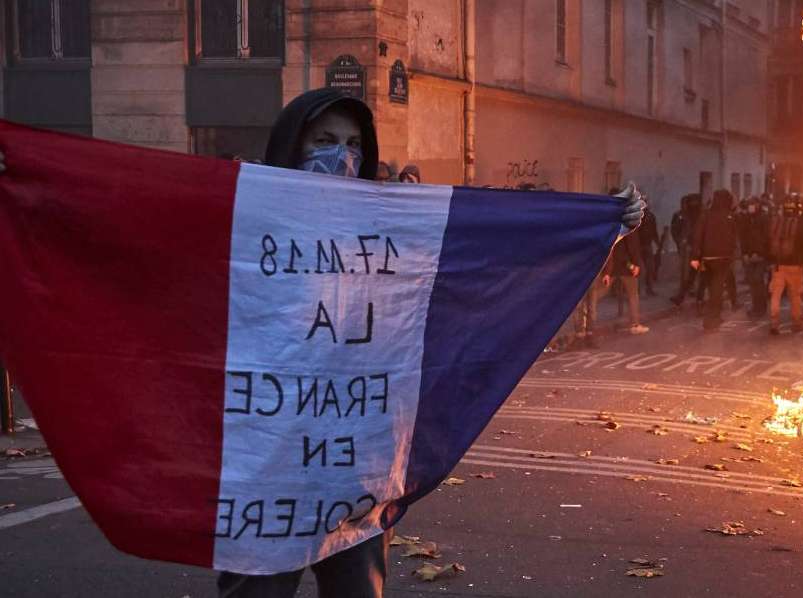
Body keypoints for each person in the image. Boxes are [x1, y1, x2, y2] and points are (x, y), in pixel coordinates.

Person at [0, 88, 645, 597]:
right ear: (291, 144)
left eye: (352, 144)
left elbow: (490, 241)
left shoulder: (389, 220)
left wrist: (598, 224)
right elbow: (130, 217)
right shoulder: (243, 212)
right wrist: (27, 180)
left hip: (354, 467)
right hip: (267, 471)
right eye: (323, 140)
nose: (340, 155)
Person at [689, 189, 738, 330]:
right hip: (722, 258)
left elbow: (697, 236)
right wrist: (732, 254)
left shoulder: (706, 215)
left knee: (710, 287)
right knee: (717, 290)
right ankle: (712, 319)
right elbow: (733, 238)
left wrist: (695, 256)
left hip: (706, 258)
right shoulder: (729, 216)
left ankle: (712, 317)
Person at [766, 193, 803, 335]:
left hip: (778, 266)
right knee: (795, 296)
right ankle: (796, 323)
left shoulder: (776, 222)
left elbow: (768, 242)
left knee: (776, 295)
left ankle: (774, 323)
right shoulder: (800, 224)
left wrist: (771, 260)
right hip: (795, 266)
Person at [608, 226, 649, 335]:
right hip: (626, 266)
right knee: (633, 295)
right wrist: (634, 264)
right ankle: (635, 324)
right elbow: (632, 246)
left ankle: (585, 326)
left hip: (611, 264)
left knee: (598, 293)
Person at [670, 193, 706, 309]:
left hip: (698, 251)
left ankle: (690, 296)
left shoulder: (701, 216)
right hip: (693, 250)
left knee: (696, 274)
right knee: (691, 274)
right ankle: (690, 296)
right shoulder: (685, 215)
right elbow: (675, 229)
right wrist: (680, 242)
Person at [738, 196, 770, 318]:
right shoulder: (746, 218)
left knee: (758, 280)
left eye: (753, 204)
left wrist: (761, 253)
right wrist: (744, 253)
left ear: (758, 204)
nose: (751, 206)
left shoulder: (764, 218)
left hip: (760, 256)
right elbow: (743, 237)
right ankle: (756, 307)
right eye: (749, 204)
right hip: (749, 255)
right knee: (752, 282)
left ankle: (760, 308)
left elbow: (766, 238)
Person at [638, 196, 660, 296]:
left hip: (647, 244)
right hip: (639, 245)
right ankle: (640, 289)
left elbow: (654, 230)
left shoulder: (651, 216)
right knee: (641, 270)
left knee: (650, 268)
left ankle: (649, 288)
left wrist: (658, 242)